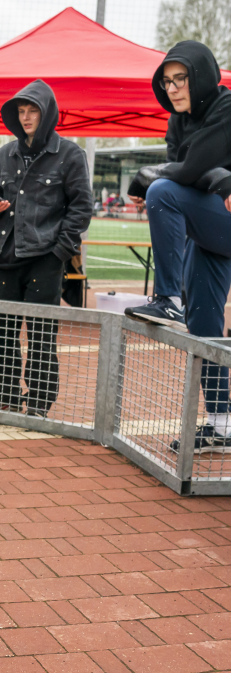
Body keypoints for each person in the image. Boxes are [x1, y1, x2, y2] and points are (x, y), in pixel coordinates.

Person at [124, 41, 231, 452]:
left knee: (163, 190)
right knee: (204, 323)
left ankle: (167, 297)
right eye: (166, 81)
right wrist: (221, 180)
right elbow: (196, 175)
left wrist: (151, 175)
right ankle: (222, 424)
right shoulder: (176, 122)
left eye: (180, 78)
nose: (172, 88)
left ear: (201, 74)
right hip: (213, 223)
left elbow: (186, 171)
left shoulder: (226, 107)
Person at [0, 80, 92, 415]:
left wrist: (59, 252)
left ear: (48, 114)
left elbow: (82, 207)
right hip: (2, 256)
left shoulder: (70, 155)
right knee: (3, 335)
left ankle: (39, 402)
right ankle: (6, 396)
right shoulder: (2, 155)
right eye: (21, 112)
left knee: (41, 336)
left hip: (45, 259)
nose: (26, 117)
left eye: (32, 111)